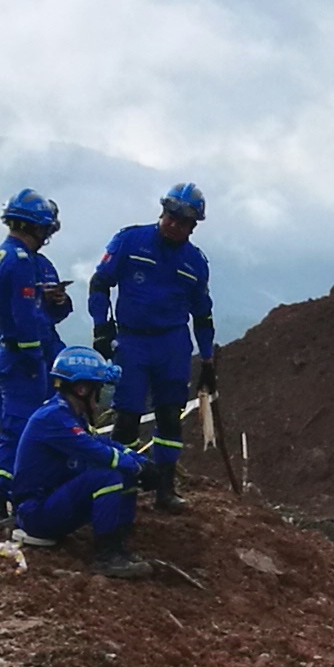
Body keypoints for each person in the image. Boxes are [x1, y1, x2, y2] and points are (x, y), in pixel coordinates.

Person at [87, 180, 214, 511]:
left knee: (170, 416)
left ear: (193, 226)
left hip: (172, 343)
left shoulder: (195, 262)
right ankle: (122, 487)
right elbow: (100, 283)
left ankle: (165, 489)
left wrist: (208, 360)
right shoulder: (129, 241)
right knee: (127, 416)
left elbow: (203, 315)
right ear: (162, 212)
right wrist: (102, 327)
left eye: (182, 221)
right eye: (170, 216)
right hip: (132, 340)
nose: (173, 225)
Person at [0, 189, 72, 532]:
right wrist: (33, 357)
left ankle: (28, 493)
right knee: (19, 430)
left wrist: (55, 300)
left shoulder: (3, 259)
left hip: (19, 352)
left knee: (28, 427)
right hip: (24, 359)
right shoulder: (19, 262)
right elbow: (23, 317)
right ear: (37, 226)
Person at [5, 348, 142, 574]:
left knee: (123, 472)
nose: (100, 396)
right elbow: (96, 451)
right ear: (82, 389)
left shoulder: (68, 415)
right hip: (35, 514)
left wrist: (140, 461)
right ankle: (106, 556)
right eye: (98, 389)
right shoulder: (53, 418)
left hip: (48, 503)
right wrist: (136, 466)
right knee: (108, 476)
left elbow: (102, 443)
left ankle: (118, 542)